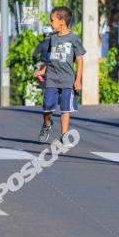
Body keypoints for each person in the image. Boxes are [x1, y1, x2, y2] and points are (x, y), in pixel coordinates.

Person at [37, 7, 85, 142]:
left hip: (67, 79)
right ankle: (47, 124)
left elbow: (80, 60)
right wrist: (43, 70)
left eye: (52, 21)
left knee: (65, 108)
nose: (51, 24)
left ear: (62, 22)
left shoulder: (74, 38)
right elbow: (51, 59)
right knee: (47, 106)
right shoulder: (52, 38)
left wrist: (78, 80)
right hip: (52, 77)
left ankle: (64, 135)